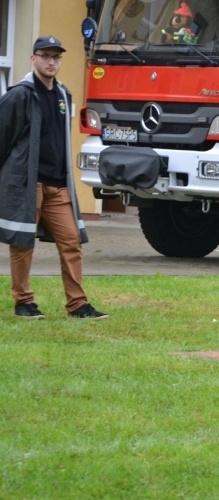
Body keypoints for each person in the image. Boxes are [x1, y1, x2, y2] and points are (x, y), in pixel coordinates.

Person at [0, 36, 108, 320]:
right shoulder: (19, 95)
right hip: (28, 184)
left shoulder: (63, 94)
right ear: (32, 59)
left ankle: (77, 304)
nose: (51, 62)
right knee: (23, 242)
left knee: (71, 241)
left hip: (58, 185)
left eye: (56, 57)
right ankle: (23, 302)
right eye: (45, 56)